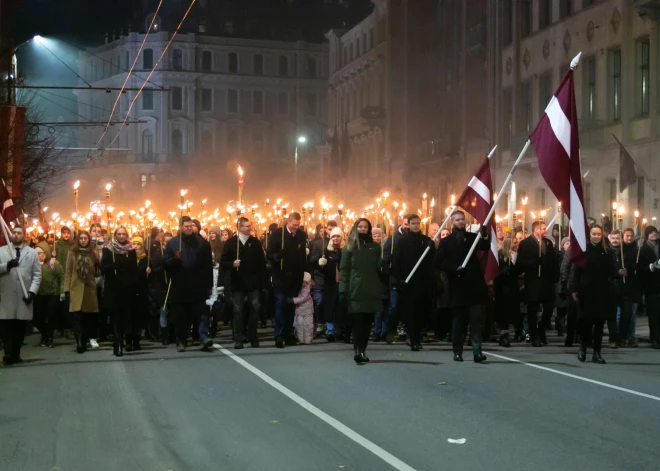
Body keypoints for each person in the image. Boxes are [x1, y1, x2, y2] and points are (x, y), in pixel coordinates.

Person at [435, 210, 489, 363]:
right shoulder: (446, 242)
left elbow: (485, 246)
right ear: (452, 222)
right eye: (457, 220)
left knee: (476, 321)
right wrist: (454, 268)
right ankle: (457, 351)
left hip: (475, 286)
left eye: (462, 219)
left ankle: (477, 352)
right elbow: (438, 262)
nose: (460, 222)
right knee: (459, 323)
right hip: (458, 287)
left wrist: (484, 234)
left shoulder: (472, 238)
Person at [163, 216, 214, 352]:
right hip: (180, 285)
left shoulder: (201, 243)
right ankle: (181, 340)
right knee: (181, 316)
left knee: (202, 313)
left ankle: (203, 337)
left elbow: (208, 264)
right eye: (186, 226)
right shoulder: (173, 243)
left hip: (198, 284)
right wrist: (175, 259)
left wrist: (209, 283)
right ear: (180, 227)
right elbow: (165, 263)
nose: (189, 228)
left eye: (191, 226)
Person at [572, 225, 617, 364]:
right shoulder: (583, 251)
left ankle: (597, 353)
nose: (596, 236)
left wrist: (619, 273)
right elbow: (577, 273)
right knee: (586, 322)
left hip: (602, 292)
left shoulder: (607, 252)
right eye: (594, 234)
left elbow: (612, 272)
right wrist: (574, 290)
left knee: (599, 323)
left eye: (598, 234)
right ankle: (583, 347)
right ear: (589, 235)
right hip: (587, 291)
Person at [339, 218, 382, 364]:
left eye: (365, 227)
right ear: (355, 228)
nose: (363, 229)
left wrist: (386, 266)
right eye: (360, 226)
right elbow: (344, 270)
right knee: (357, 323)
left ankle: (363, 349)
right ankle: (357, 350)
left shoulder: (375, 247)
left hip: (371, 289)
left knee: (367, 323)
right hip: (355, 290)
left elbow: (379, 268)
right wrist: (343, 290)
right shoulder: (349, 247)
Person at [220, 217, 266, 349]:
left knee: (254, 309)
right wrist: (232, 264)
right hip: (238, 282)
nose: (249, 228)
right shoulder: (231, 243)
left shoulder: (255, 242)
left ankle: (253, 336)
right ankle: (239, 337)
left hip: (253, 283)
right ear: (239, 228)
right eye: (246, 226)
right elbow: (223, 262)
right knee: (238, 311)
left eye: (250, 225)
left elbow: (261, 263)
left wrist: (261, 281)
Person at [392, 214, 435, 351]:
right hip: (407, 282)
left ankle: (417, 336)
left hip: (422, 283)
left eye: (418, 223)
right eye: (413, 223)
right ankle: (413, 338)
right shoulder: (402, 241)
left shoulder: (426, 241)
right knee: (410, 313)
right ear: (408, 225)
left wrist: (432, 248)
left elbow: (432, 261)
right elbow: (396, 262)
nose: (416, 225)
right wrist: (399, 280)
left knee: (421, 312)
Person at [0, 226, 41, 365]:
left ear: (24, 235)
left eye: (19, 233)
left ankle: (16, 353)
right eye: (14, 233)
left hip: (24, 295)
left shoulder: (32, 253)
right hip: (6, 295)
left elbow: (37, 274)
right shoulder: (2, 251)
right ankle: (8, 354)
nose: (16, 235)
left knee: (19, 327)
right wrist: (7, 265)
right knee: (6, 327)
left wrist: (32, 292)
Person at [267, 212, 307, 348]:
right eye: (294, 225)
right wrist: (278, 256)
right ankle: (279, 335)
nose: (296, 227)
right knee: (280, 305)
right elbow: (269, 253)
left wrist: (304, 275)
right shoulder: (278, 234)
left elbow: (302, 257)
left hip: (295, 277)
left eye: (298, 225)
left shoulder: (301, 235)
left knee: (291, 306)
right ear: (288, 221)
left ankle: (289, 333)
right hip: (281, 276)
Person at [516, 221, 559, 347]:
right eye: (543, 228)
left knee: (549, 308)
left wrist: (555, 275)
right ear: (536, 230)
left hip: (547, 281)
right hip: (534, 281)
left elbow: (553, 260)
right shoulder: (526, 243)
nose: (546, 231)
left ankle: (542, 331)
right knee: (532, 311)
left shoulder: (548, 243)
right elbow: (520, 264)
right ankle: (534, 336)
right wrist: (534, 262)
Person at [101, 227, 138, 356]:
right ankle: (118, 344)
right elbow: (103, 268)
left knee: (126, 317)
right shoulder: (108, 249)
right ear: (115, 235)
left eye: (123, 234)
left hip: (127, 289)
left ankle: (127, 339)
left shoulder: (131, 250)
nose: (121, 236)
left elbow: (134, 268)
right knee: (116, 317)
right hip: (113, 288)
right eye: (119, 234)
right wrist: (115, 266)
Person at [64, 230, 100, 354]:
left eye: (86, 238)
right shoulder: (72, 253)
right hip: (76, 289)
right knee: (77, 317)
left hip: (89, 289)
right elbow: (68, 273)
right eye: (81, 238)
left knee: (87, 318)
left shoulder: (93, 253)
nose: (83, 240)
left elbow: (97, 274)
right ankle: (79, 341)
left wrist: (98, 264)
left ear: (89, 240)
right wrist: (66, 290)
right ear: (78, 240)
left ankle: (84, 340)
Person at [313, 226, 345, 342]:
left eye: (338, 236)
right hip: (329, 283)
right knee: (329, 306)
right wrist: (321, 264)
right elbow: (320, 269)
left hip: (342, 283)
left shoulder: (345, 251)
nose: (336, 238)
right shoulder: (326, 251)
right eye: (334, 236)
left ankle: (339, 330)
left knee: (340, 307)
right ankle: (330, 330)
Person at [382, 216, 409, 344]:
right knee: (394, 307)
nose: (408, 227)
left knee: (408, 307)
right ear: (401, 223)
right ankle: (391, 331)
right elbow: (385, 256)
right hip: (395, 278)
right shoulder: (392, 239)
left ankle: (407, 330)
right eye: (406, 224)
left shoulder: (415, 239)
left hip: (410, 278)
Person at [309, 220, 338, 337]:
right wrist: (319, 259)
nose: (332, 232)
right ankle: (320, 322)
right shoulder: (318, 243)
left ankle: (331, 324)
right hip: (320, 277)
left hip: (332, 278)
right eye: (330, 229)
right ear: (326, 229)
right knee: (319, 301)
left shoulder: (339, 242)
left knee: (331, 302)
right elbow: (311, 260)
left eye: (334, 229)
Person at [34, 242, 64, 348]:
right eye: (36, 253)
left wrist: (62, 291)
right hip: (38, 294)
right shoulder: (34, 265)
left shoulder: (54, 264)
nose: (38, 255)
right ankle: (44, 333)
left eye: (40, 253)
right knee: (37, 316)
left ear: (46, 253)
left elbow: (62, 277)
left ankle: (49, 337)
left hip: (53, 294)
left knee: (51, 316)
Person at [637, 225, 660, 349]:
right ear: (647, 235)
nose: (654, 235)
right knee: (653, 314)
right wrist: (651, 267)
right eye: (651, 233)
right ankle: (654, 339)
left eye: (655, 232)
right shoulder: (643, 250)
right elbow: (640, 268)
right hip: (651, 285)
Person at [494, 237, 519, 347]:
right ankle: (503, 335)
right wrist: (509, 268)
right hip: (502, 287)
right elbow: (499, 272)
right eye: (514, 243)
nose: (516, 245)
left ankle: (511, 333)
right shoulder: (500, 255)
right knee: (503, 313)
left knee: (511, 313)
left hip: (513, 287)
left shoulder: (516, 255)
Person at [620, 228, 641, 347]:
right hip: (623, 286)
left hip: (634, 286)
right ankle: (620, 336)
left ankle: (631, 336)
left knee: (632, 313)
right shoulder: (621, 249)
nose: (629, 238)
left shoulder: (637, 250)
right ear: (623, 236)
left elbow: (639, 267)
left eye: (631, 236)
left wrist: (636, 268)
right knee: (622, 313)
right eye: (627, 236)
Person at [292, 272, 314, 345]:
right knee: (299, 324)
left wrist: (293, 300)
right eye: (302, 282)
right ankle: (300, 339)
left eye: (305, 282)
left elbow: (303, 298)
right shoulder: (298, 288)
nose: (303, 284)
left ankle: (307, 339)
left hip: (308, 310)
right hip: (299, 310)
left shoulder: (307, 289)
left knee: (308, 325)